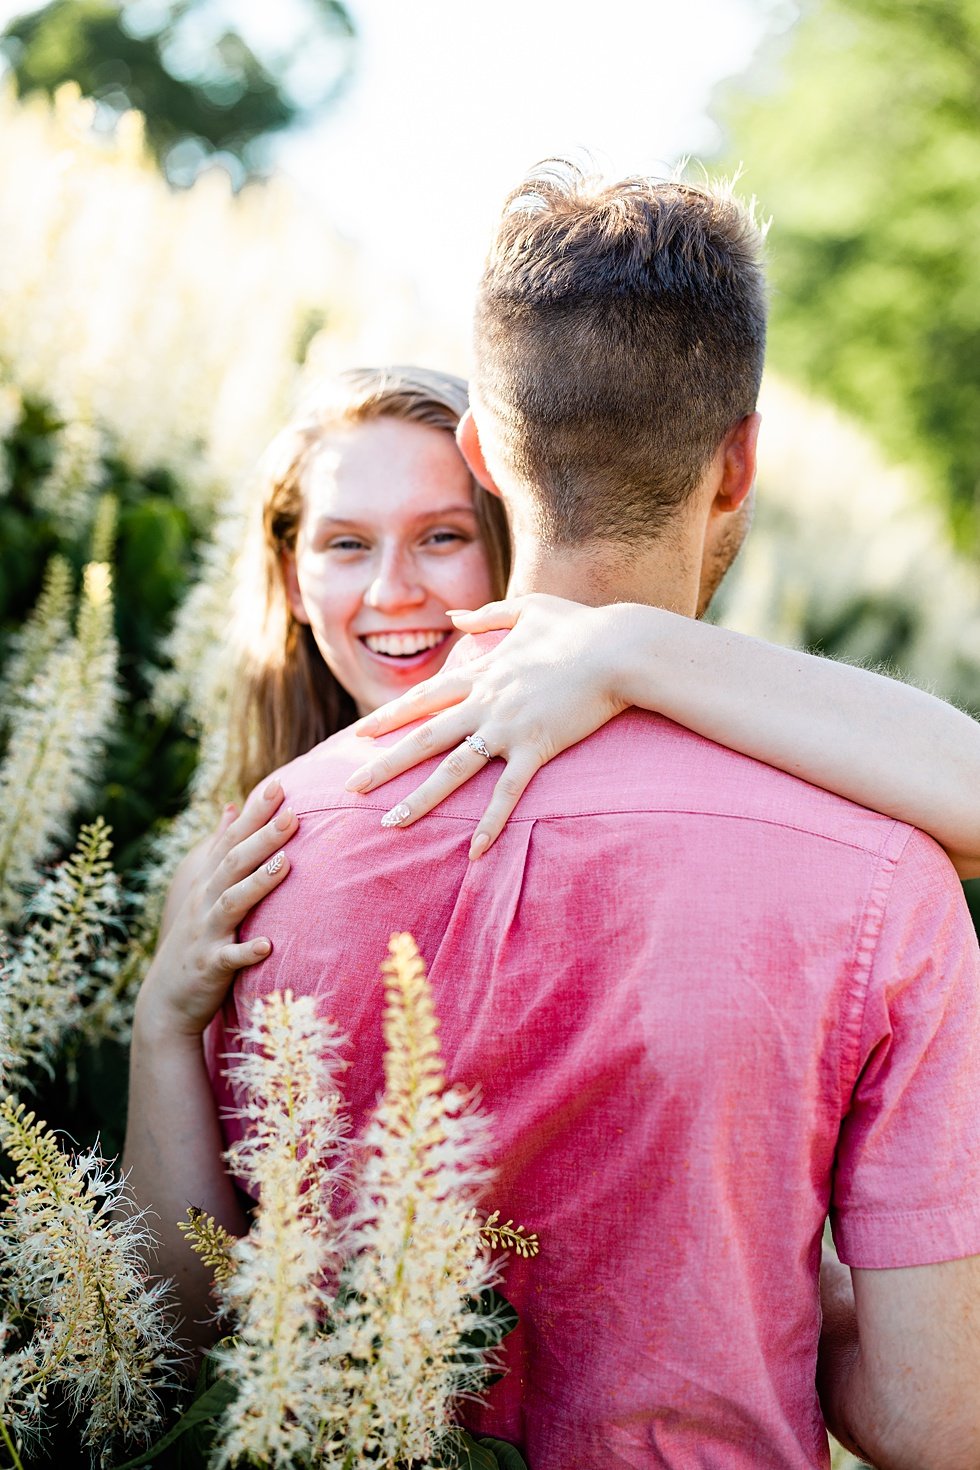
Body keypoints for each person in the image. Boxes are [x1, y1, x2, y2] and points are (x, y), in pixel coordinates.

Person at [127, 162, 980, 1470]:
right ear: (739, 456)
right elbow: (936, 1421)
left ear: (482, 459)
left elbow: (177, 1345)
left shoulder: (270, 843)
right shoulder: (886, 874)